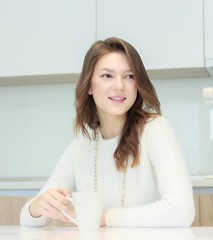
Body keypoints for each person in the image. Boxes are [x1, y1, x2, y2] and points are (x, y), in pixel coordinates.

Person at [20, 37, 195, 227]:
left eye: (129, 76)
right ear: (88, 85)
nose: (119, 85)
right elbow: (28, 219)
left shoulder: (155, 129)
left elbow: (182, 211)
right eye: (107, 76)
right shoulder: (82, 144)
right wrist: (38, 207)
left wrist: (101, 218)